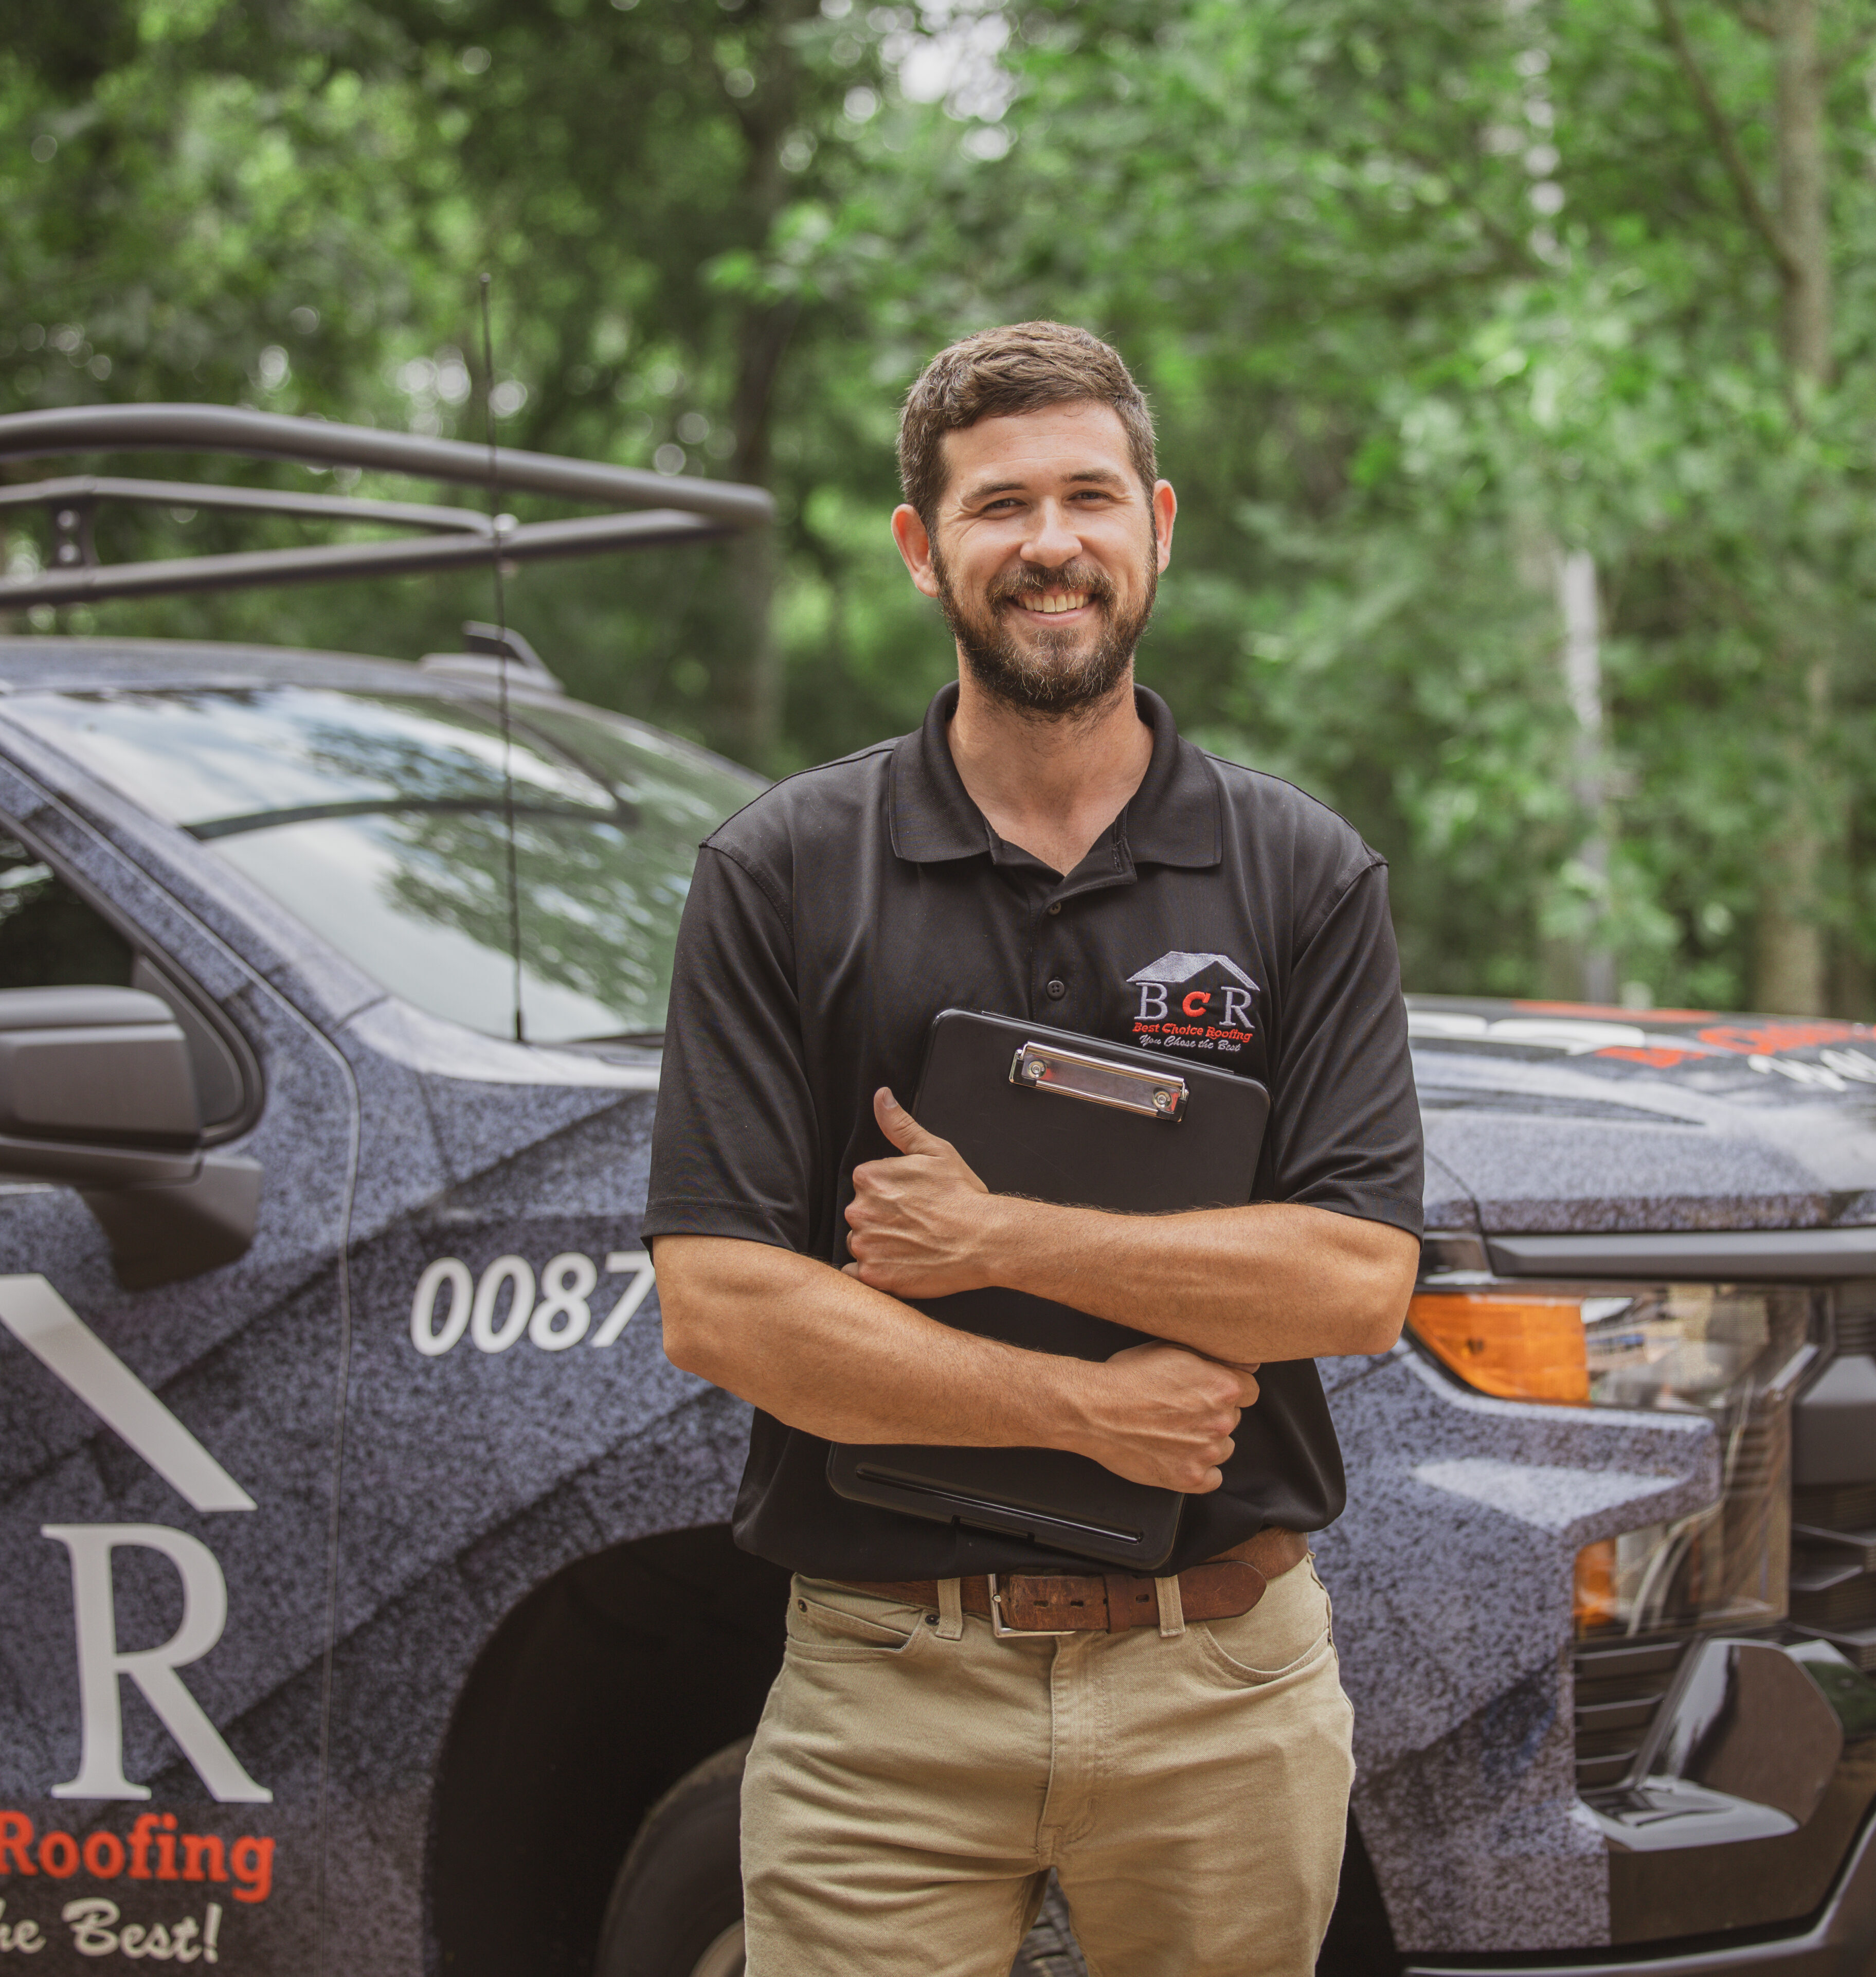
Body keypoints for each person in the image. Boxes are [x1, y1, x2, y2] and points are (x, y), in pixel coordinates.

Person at [645, 320, 1423, 1977]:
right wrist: (1086, 1406)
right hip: (883, 1689)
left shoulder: (1303, 871)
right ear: (925, 548)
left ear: (1158, 522)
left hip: (1222, 1686)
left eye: (1088, 497)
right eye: (1001, 507)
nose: (1052, 544)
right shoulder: (780, 871)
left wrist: (1003, 1239)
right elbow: (720, 1303)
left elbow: (1356, 1278)